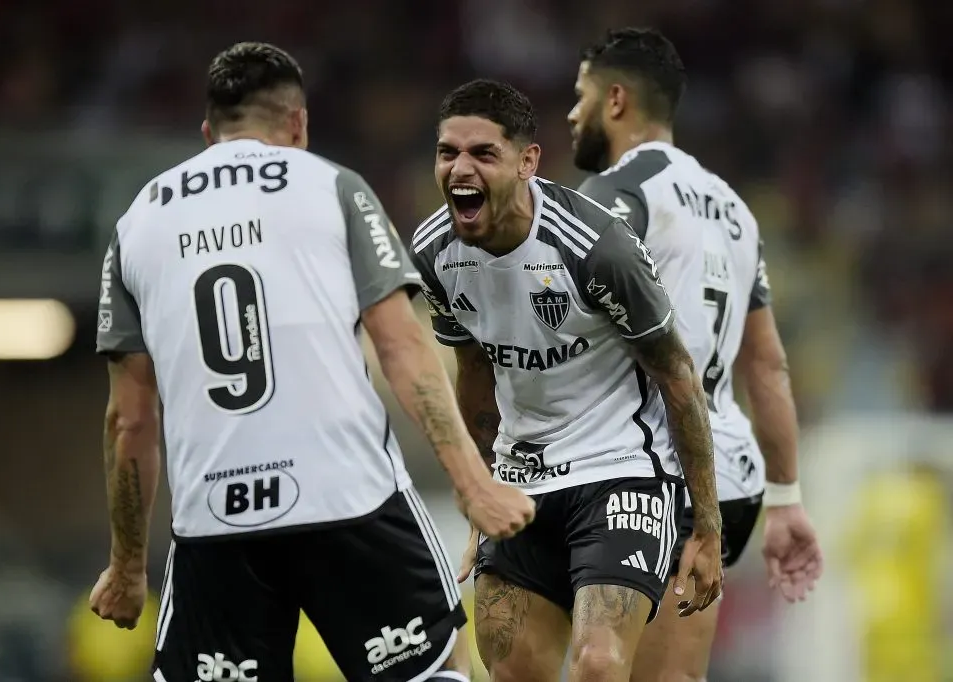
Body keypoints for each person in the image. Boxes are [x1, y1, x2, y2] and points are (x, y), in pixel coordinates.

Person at [87, 42, 535, 682]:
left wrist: (128, 567)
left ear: (208, 132)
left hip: (217, 521)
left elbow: (128, 422)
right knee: (435, 672)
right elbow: (402, 347)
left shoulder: (136, 224)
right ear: (297, 124)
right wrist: (473, 485)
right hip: (347, 500)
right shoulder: (332, 186)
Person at [411, 78, 723, 682]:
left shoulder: (596, 246)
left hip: (619, 471)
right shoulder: (433, 252)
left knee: (600, 666)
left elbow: (679, 377)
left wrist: (704, 525)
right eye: (448, 153)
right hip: (521, 480)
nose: (459, 169)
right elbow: (473, 369)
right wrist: (479, 493)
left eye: (482, 154)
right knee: (509, 671)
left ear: (528, 162)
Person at [568, 27, 824, 682]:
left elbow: (564, 334)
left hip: (643, 475)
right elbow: (766, 363)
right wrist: (787, 496)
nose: (572, 114)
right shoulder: (736, 210)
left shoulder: (615, 195)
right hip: (730, 481)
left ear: (616, 100)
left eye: (581, 96)